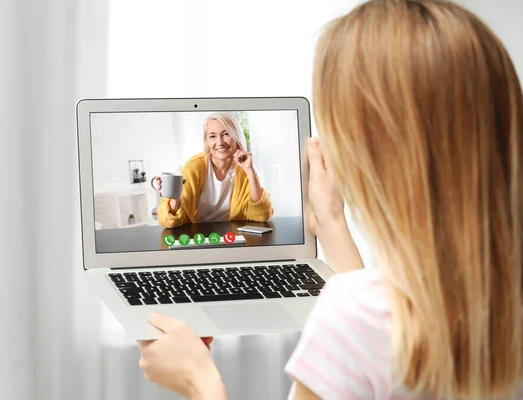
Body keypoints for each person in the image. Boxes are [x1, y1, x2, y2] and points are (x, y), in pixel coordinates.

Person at [137, 0, 523, 399]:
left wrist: (200, 382)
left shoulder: (356, 315)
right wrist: (330, 221)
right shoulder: (479, 301)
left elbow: (260, 214)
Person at [155, 112, 274, 228]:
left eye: (226, 134)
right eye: (212, 136)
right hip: (199, 237)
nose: (220, 142)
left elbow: (262, 214)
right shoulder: (194, 166)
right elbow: (167, 221)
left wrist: (249, 170)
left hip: (231, 237)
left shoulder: (243, 169)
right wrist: (175, 196)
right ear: (207, 141)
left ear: (236, 137)